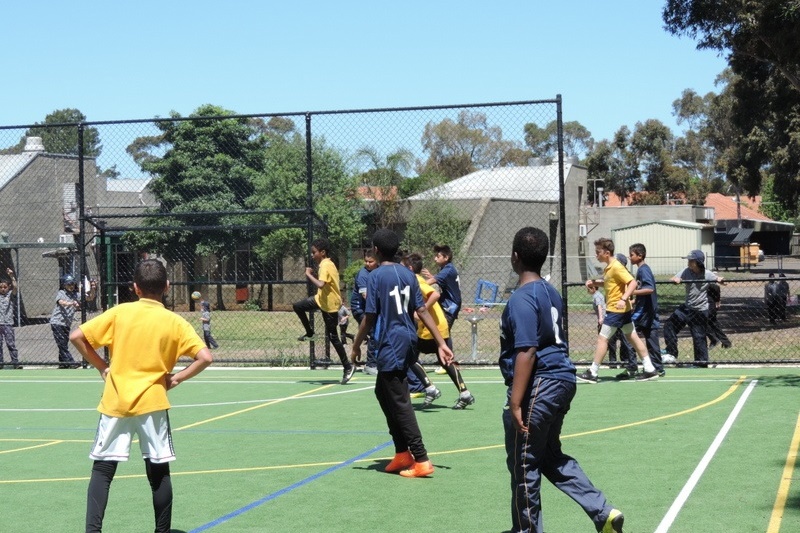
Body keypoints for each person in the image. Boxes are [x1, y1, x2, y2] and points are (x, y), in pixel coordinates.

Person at [69, 259, 213, 533]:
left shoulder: (120, 313)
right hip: (153, 403)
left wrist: (102, 366)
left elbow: (77, 336)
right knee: (158, 470)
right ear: (167, 287)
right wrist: (177, 378)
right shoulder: (174, 321)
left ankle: (92, 531)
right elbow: (205, 357)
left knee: (102, 470)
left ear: (135, 288)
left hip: (116, 402)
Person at [500, 227, 624, 533]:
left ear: (515, 257)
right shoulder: (550, 292)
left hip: (540, 385)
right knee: (550, 456)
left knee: (524, 463)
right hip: (562, 380)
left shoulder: (520, 299)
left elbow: (527, 350)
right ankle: (602, 511)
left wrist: (516, 401)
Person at [350, 229, 454, 478]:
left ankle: (420, 458)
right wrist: (441, 342)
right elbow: (422, 311)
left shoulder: (375, 277)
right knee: (382, 392)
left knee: (399, 400)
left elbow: (370, 316)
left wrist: (355, 345)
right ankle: (401, 453)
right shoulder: (408, 275)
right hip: (408, 339)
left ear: (376, 250)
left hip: (391, 342)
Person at [578, 238, 659, 383]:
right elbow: (610, 284)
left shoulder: (616, 266)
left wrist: (623, 299)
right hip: (621, 310)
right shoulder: (609, 267)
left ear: (607, 253)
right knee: (632, 337)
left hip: (617, 310)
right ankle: (650, 369)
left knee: (603, 338)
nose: (596, 255)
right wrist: (595, 282)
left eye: (598, 252)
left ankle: (593, 372)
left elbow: (632, 282)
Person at [403, 253, 475, 410]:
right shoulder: (415, 280)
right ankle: (465, 393)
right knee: (446, 361)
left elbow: (435, 294)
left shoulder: (414, 280)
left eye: (403, 267)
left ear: (409, 268)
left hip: (433, 327)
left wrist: (420, 311)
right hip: (439, 325)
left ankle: (430, 388)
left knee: (409, 354)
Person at [292, 238, 355, 385]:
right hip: (321, 300)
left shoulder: (326, 265)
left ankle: (348, 366)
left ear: (323, 252)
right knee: (298, 306)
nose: (312, 255)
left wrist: (308, 274)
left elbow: (321, 284)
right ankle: (310, 333)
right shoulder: (327, 264)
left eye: (314, 252)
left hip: (330, 306)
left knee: (333, 337)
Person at [662, 250, 724, 368]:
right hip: (687, 307)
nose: (688, 262)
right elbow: (674, 278)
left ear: (698, 262)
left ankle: (701, 363)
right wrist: (676, 280)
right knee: (669, 326)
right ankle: (671, 352)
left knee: (698, 336)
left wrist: (720, 279)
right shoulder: (686, 271)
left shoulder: (707, 274)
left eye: (691, 260)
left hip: (700, 310)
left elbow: (718, 279)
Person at [421, 244, 462, 374]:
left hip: (450, 306)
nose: (435, 259)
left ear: (446, 257)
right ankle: (448, 361)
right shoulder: (447, 269)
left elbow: (430, 283)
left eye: (438, 256)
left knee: (443, 332)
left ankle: (448, 362)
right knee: (445, 332)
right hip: (450, 304)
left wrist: (417, 283)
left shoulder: (447, 270)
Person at [628, 243, 665, 376]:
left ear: (640, 255)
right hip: (643, 311)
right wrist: (633, 300)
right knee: (648, 339)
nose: (629, 257)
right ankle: (655, 367)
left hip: (646, 313)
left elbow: (649, 289)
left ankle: (638, 368)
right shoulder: (641, 270)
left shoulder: (644, 270)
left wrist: (630, 292)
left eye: (631, 255)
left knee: (630, 336)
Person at [50, 274, 95, 369]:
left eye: (72, 284)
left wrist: (93, 288)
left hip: (66, 324)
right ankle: (71, 362)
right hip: (57, 322)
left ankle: (63, 364)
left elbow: (89, 298)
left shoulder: (75, 295)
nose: (71, 286)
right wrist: (71, 303)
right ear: (64, 285)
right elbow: (61, 302)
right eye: (69, 284)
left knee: (63, 344)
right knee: (62, 344)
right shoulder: (61, 292)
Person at [350, 251, 379, 375]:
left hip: (371, 309)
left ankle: (378, 361)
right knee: (373, 332)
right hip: (360, 309)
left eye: (370, 261)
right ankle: (370, 364)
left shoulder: (379, 271)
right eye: (366, 261)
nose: (367, 264)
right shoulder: (363, 274)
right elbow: (366, 295)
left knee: (378, 332)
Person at [606, 253, 635, 376]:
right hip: (614, 310)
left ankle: (632, 365)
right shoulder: (612, 273)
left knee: (628, 341)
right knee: (609, 340)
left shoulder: (625, 275)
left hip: (622, 313)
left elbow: (633, 291)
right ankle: (614, 363)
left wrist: (625, 300)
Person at [0, 268, 21, 369]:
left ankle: (15, 363)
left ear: (8, 287)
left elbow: (15, 287)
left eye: (5, 287)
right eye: (1, 287)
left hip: (8, 323)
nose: (3, 289)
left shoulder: (10, 295)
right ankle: (1, 363)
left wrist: (12, 276)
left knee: (10, 344)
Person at [706, 283, 732, 349]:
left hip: (709, 305)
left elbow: (716, 287)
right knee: (714, 324)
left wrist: (717, 301)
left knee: (703, 323)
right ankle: (726, 342)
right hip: (706, 305)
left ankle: (714, 339)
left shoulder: (707, 276)